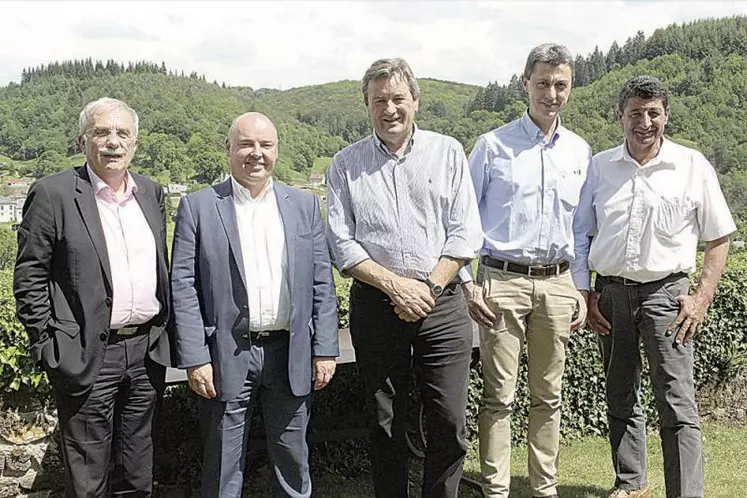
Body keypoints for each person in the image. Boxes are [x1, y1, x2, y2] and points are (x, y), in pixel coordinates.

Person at [572, 75, 736, 498]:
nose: (644, 122)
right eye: (635, 114)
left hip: (668, 295)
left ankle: (686, 494)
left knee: (677, 402)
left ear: (665, 115)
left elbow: (719, 237)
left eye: (653, 113)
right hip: (610, 295)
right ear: (619, 117)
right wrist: (586, 293)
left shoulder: (691, 165)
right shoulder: (600, 167)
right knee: (620, 394)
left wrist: (700, 300)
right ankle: (631, 485)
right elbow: (581, 234)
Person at [325, 57, 483, 498]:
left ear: (415, 101)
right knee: (384, 419)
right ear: (367, 106)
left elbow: (465, 232)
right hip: (377, 304)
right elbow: (342, 243)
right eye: (379, 101)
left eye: (398, 98)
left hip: (443, 302)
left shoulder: (448, 151)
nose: (389, 108)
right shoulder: (344, 165)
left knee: (449, 417)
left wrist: (427, 287)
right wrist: (396, 286)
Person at [171, 112, 338, 498]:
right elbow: (183, 286)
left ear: (277, 150)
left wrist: (325, 349)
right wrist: (196, 358)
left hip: (289, 353)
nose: (256, 153)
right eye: (246, 144)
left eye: (265, 145)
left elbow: (321, 283)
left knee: (293, 463)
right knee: (223, 468)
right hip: (226, 354)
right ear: (228, 149)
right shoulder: (199, 206)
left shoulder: (304, 206)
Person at [13, 97, 172, 497]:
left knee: (137, 472)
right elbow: (30, 276)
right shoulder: (54, 194)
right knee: (88, 478)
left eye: (123, 134)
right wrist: (48, 347)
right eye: (102, 133)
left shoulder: (150, 194)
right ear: (83, 140)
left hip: (145, 351)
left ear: (135, 143)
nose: (113, 142)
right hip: (85, 355)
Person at [463, 44, 591, 498]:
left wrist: (579, 288)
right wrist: (468, 282)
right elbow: (463, 220)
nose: (551, 94)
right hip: (502, 281)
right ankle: (496, 490)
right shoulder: (492, 146)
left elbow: (580, 229)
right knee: (498, 397)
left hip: (557, 283)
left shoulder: (579, 151)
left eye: (561, 85)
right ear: (525, 84)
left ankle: (544, 490)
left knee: (549, 397)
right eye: (543, 84)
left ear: (570, 87)